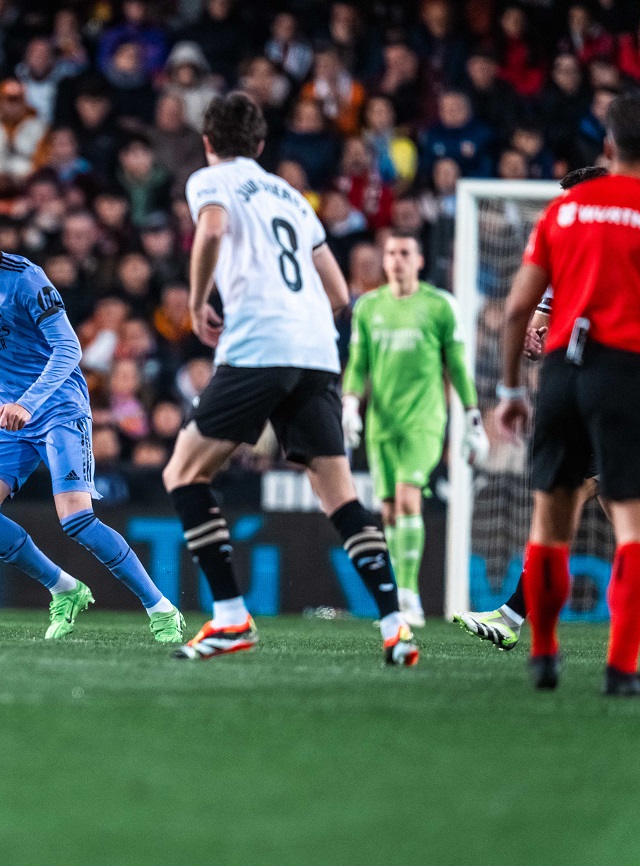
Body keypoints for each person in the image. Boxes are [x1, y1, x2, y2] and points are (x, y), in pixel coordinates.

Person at [161, 93, 417, 665]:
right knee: (341, 496)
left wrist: (200, 300)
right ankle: (396, 626)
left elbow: (211, 231)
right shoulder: (291, 197)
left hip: (259, 345)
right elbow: (339, 293)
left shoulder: (211, 181)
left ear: (208, 144)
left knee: (183, 473)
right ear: (259, 145)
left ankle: (230, 617)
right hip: (317, 352)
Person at [0, 200, 185, 643]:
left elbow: (69, 350)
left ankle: (161, 608)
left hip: (58, 408)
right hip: (7, 417)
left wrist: (28, 403)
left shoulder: (26, 280)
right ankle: (64, 588)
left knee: (76, 520)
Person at [494, 91, 640, 698]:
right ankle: (621, 668)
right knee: (636, 525)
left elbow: (514, 311)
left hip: (560, 374)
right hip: (629, 375)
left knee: (551, 519)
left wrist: (509, 387)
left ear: (607, 148)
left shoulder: (561, 214)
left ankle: (544, 656)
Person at [456, 166, 640, 650]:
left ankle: (522, 625)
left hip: (626, 385)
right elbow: (542, 307)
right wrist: (538, 330)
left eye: (571, 201)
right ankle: (521, 622)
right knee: (615, 505)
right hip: (576, 384)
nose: (564, 210)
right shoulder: (569, 240)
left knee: (581, 503)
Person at [341, 231, 489, 626]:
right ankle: (403, 596)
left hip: (424, 420)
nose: (396, 259)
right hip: (381, 424)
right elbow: (358, 363)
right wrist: (351, 403)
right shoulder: (368, 307)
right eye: (390, 252)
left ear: (419, 261)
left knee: (408, 499)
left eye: (405, 252)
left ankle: (409, 598)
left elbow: (456, 364)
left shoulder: (439, 306)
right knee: (388, 510)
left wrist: (473, 415)